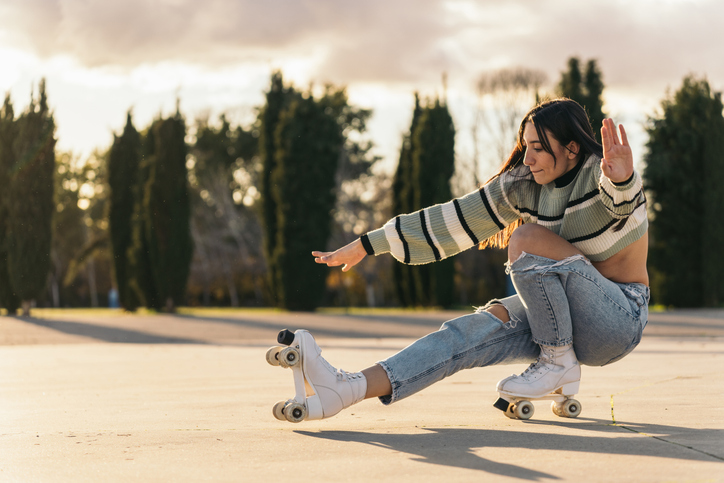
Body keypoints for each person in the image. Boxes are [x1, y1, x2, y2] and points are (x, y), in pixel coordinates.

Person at [273, 98, 649, 422]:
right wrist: (369, 244)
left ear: (570, 148)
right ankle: (344, 389)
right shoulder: (523, 185)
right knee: (465, 333)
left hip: (618, 320)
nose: (528, 157)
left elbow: (623, 204)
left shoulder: (602, 177)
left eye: (538, 147)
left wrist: (623, 179)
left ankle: (557, 362)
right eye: (525, 145)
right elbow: (455, 219)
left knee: (526, 238)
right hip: (563, 321)